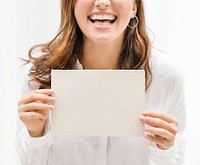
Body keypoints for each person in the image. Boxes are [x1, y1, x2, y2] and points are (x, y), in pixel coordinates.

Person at [16, 0, 186, 164]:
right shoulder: (40, 74)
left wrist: (165, 148)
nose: (102, 2)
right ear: (71, 4)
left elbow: (176, 161)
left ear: (134, 6)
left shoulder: (166, 75)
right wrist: (35, 133)